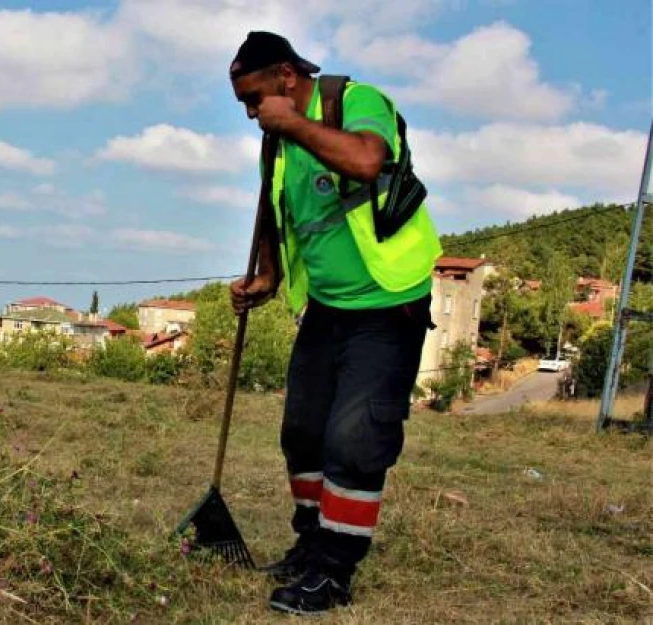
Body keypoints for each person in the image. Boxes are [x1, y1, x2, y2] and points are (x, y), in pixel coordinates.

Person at [226, 31, 443, 615]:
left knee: (356, 438)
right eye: (244, 104)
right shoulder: (277, 144)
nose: (251, 113)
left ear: (286, 77)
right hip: (326, 307)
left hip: (388, 301)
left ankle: (334, 572)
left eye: (254, 98)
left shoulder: (356, 100)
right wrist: (266, 278)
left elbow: (367, 160)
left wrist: (290, 125)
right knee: (302, 431)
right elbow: (282, 216)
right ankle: (311, 543)